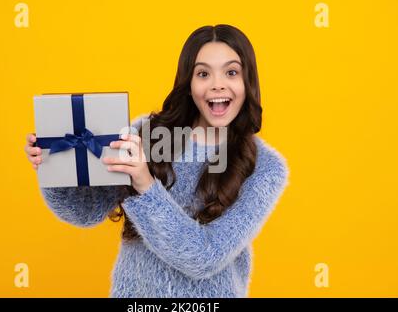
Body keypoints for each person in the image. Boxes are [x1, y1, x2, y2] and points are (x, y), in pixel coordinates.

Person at [24, 24, 290, 297]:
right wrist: (54, 166)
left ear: (248, 82)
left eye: (231, 72)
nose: (217, 84)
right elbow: (85, 213)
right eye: (203, 73)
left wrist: (146, 185)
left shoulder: (266, 168)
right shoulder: (144, 135)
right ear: (188, 84)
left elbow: (205, 257)